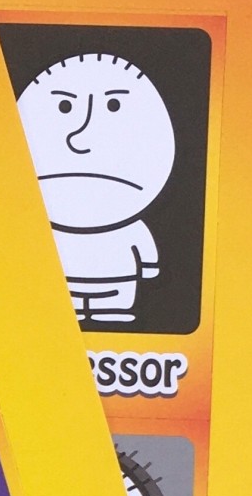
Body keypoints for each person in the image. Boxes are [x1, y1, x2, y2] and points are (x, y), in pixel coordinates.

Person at [15, 53, 176, 326]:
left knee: (111, 306)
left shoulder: (130, 227)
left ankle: (112, 310)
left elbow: (145, 253)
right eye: (64, 106)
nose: (81, 138)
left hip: (118, 280)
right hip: (62, 285)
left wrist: (149, 267)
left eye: (114, 105)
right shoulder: (41, 223)